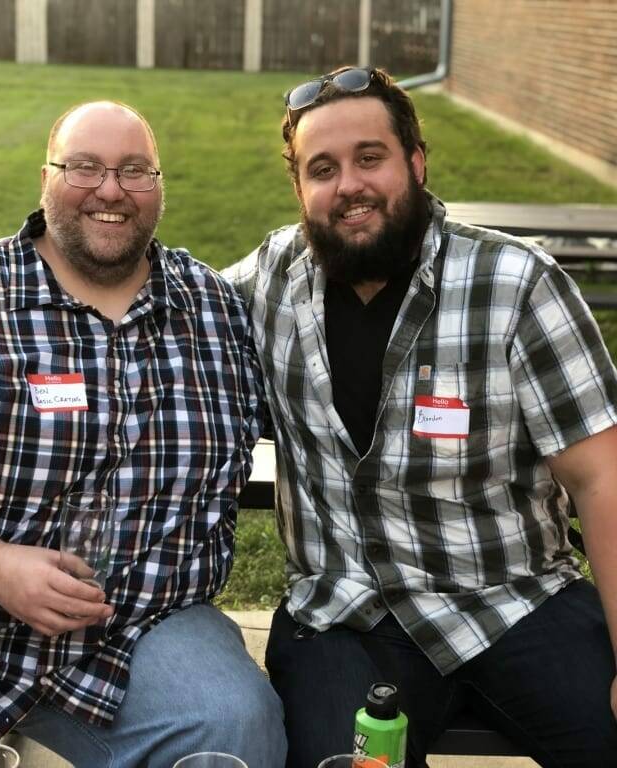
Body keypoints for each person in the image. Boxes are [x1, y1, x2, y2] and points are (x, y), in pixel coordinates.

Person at [0, 101, 287, 768]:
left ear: (159, 187)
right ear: (45, 178)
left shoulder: (216, 313)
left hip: (139, 626)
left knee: (234, 726)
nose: (110, 190)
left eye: (135, 171)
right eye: (84, 167)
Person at [224, 66, 617, 768]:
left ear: (416, 160)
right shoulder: (265, 286)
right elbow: (147, 314)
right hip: (346, 618)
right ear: (299, 189)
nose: (349, 186)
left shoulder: (517, 283)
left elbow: (603, 479)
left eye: (369, 158)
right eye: (323, 169)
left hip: (515, 600)